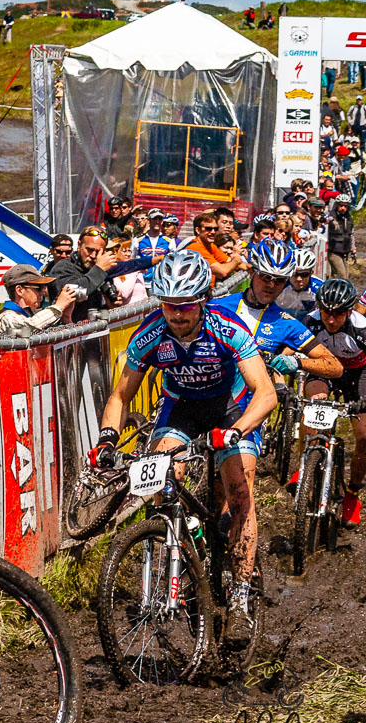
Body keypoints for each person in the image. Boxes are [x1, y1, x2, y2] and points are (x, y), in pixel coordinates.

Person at [92, 250, 277, 642]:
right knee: (160, 478)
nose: (177, 315)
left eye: (186, 306)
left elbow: (265, 394)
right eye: (170, 306)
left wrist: (237, 431)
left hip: (231, 409)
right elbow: (120, 397)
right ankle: (184, 539)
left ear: (203, 300)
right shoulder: (151, 333)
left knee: (239, 491)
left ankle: (241, 600)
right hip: (181, 409)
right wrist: (107, 437)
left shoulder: (228, 328)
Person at [210, 240, 341, 388]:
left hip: (253, 405)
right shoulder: (218, 306)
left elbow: (335, 366)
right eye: (266, 277)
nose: (271, 285)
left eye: (279, 280)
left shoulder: (286, 322)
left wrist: (297, 362)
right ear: (252, 272)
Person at [301, 279, 366, 527]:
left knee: (363, 437)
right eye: (326, 311)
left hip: (358, 374)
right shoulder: (310, 321)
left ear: (349, 311)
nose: (330, 319)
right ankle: (307, 462)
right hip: (325, 370)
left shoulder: (361, 328)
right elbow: (288, 348)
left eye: (338, 313)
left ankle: (352, 495)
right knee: (313, 405)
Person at [47, 226, 153, 321]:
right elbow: (74, 292)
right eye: (89, 250)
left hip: (95, 332)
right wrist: (99, 270)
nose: (93, 255)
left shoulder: (97, 269)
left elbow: (129, 266)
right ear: (79, 245)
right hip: (68, 334)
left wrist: (109, 302)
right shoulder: (63, 267)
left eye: (98, 252)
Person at [0, 265, 77, 337]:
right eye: (39, 287)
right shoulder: (6, 317)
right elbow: (29, 327)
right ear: (19, 290)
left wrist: (66, 317)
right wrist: (59, 306)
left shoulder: (34, 314)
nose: (44, 292)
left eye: (45, 287)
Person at [181, 211, 244, 279]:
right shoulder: (195, 247)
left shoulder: (210, 245)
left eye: (216, 229)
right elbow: (223, 271)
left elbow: (233, 262)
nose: (213, 232)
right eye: (208, 229)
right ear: (198, 230)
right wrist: (236, 259)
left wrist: (251, 267)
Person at [277, 246, 324, 318]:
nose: (299, 279)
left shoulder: (320, 288)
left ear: (311, 273)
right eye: (294, 274)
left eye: (304, 275)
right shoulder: (279, 285)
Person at [327, 193, 355, 278]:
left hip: (345, 251)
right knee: (340, 275)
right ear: (336, 205)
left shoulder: (349, 218)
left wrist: (353, 248)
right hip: (333, 251)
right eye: (341, 205)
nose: (343, 208)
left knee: (346, 277)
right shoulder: (331, 217)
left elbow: (351, 234)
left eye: (345, 206)